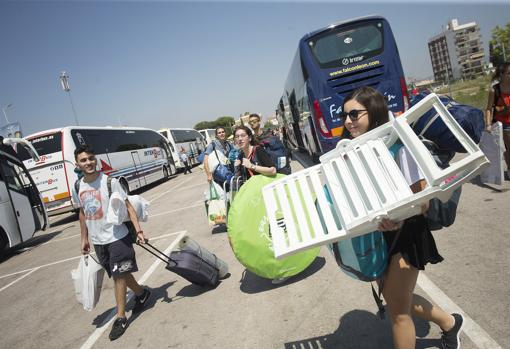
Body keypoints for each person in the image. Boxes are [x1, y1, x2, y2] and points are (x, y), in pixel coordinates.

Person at [340, 87, 463, 349]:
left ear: (373, 112)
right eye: (344, 116)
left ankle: (451, 324)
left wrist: (396, 219)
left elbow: (422, 201)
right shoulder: (359, 150)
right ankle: (451, 323)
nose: (347, 121)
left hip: (407, 232)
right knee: (395, 296)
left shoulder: (398, 145)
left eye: (353, 114)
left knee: (399, 312)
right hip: (379, 233)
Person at [72, 144, 151, 341]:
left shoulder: (109, 182)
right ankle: (141, 294)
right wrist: (84, 239)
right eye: (84, 160)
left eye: (91, 158)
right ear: (77, 163)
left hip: (117, 236)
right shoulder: (77, 186)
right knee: (119, 274)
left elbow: (128, 207)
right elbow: (82, 213)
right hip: (98, 242)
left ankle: (121, 317)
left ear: (95, 159)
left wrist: (139, 230)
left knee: (119, 275)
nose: (88, 162)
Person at [485, 61, 510, 180]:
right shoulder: (495, 90)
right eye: (509, 73)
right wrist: (488, 124)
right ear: (502, 74)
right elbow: (489, 109)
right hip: (505, 124)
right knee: (509, 148)